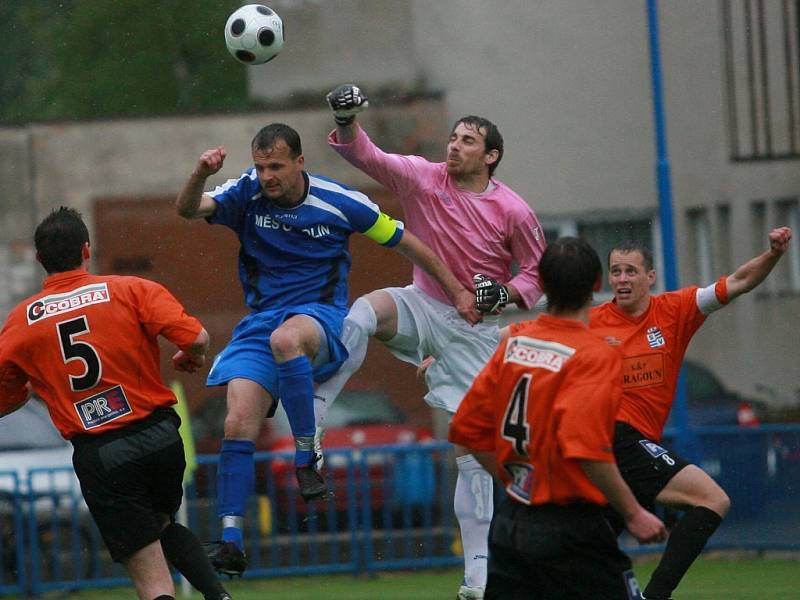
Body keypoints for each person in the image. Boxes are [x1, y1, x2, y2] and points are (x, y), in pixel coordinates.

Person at [175, 122, 479, 577]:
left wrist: (457, 290)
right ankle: (232, 539)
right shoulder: (246, 192)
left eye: (275, 166)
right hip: (260, 323)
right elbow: (187, 210)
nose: (266, 176)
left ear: (300, 162)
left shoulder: (340, 201)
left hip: (322, 318)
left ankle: (306, 453)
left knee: (287, 340)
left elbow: (407, 241)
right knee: (237, 419)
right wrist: (200, 172)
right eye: (260, 167)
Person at [319, 84, 547, 599]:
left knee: (472, 449)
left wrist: (505, 292)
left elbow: (538, 274)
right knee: (364, 312)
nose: (454, 146)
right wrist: (347, 119)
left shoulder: (514, 210)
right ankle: (317, 410)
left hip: (473, 330)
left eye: (468, 140)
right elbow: (367, 157)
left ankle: (478, 578)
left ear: (491, 157)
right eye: (453, 137)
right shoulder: (424, 177)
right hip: (423, 304)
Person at [0, 207, 230, 600]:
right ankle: (219, 596)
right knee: (162, 525)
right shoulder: (131, 289)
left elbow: (7, 396)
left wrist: (26, 391)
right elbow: (197, 338)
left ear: (40, 259)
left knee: (153, 581)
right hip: (160, 437)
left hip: (104, 453)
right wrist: (191, 356)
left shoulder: (22, 320)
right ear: (86, 250)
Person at [450, 237, 666, 600]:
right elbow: (586, 447)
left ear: (543, 287)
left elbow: (468, 431)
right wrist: (633, 513)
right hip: (571, 527)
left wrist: (514, 480)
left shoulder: (514, 346)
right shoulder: (594, 355)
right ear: (597, 285)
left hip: (512, 524)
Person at [589, 226, 793, 600]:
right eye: (615, 271)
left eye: (631, 271)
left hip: (626, 445)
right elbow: (535, 332)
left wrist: (775, 255)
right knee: (712, 499)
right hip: (613, 435)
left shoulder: (675, 309)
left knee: (586, 550)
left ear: (650, 277)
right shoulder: (593, 320)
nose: (622, 279)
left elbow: (740, 281)